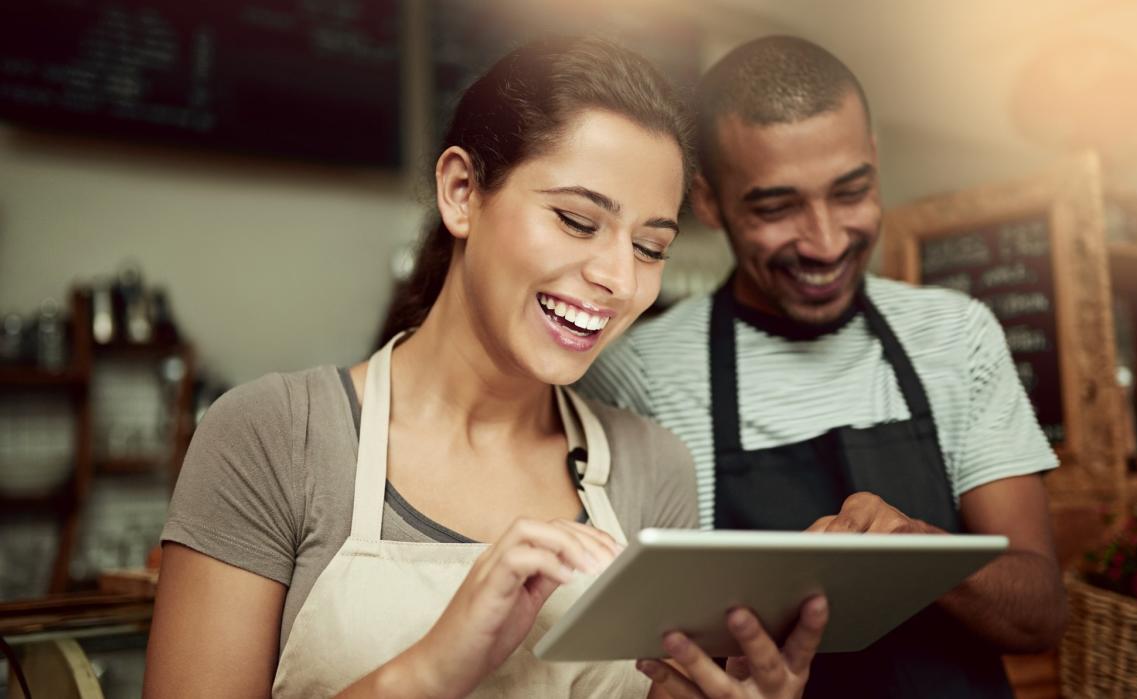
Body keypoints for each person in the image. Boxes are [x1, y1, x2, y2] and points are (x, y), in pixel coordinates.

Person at [144, 37, 827, 699]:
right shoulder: (271, 438)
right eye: (577, 220)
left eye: (650, 246)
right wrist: (434, 669)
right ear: (462, 191)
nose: (619, 278)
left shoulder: (653, 470)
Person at [577, 35, 1068, 698]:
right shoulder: (637, 375)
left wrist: (923, 557)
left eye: (851, 192)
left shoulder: (957, 336)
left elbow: (1041, 612)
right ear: (710, 201)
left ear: (875, 159)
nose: (827, 240)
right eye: (777, 207)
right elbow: (633, 653)